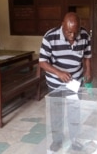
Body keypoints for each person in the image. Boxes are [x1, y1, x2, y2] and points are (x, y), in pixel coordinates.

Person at [39, 12, 92, 152]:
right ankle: (57, 140)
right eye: (69, 32)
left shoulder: (84, 35)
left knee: (74, 110)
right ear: (62, 25)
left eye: (75, 32)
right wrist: (59, 73)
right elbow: (42, 62)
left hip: (75, 81)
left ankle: (75, 139)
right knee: (56, 112)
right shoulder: (50, 37)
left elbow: (87, 55)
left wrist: (88, 70)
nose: (73, 37)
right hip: (55, 83)